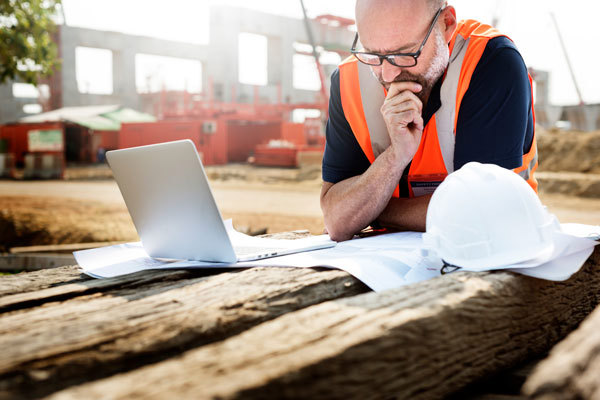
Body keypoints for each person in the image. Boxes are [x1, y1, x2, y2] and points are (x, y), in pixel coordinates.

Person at [320, 0, 538, 241]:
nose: (388, 74)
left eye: (405, 53)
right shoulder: (348, 81)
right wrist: (395, 157)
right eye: (372, 53)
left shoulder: (490, 61)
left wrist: (371, 211)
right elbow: (337, 220)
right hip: (384, 262)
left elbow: (480, 211)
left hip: (494, 254)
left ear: (447, 24)